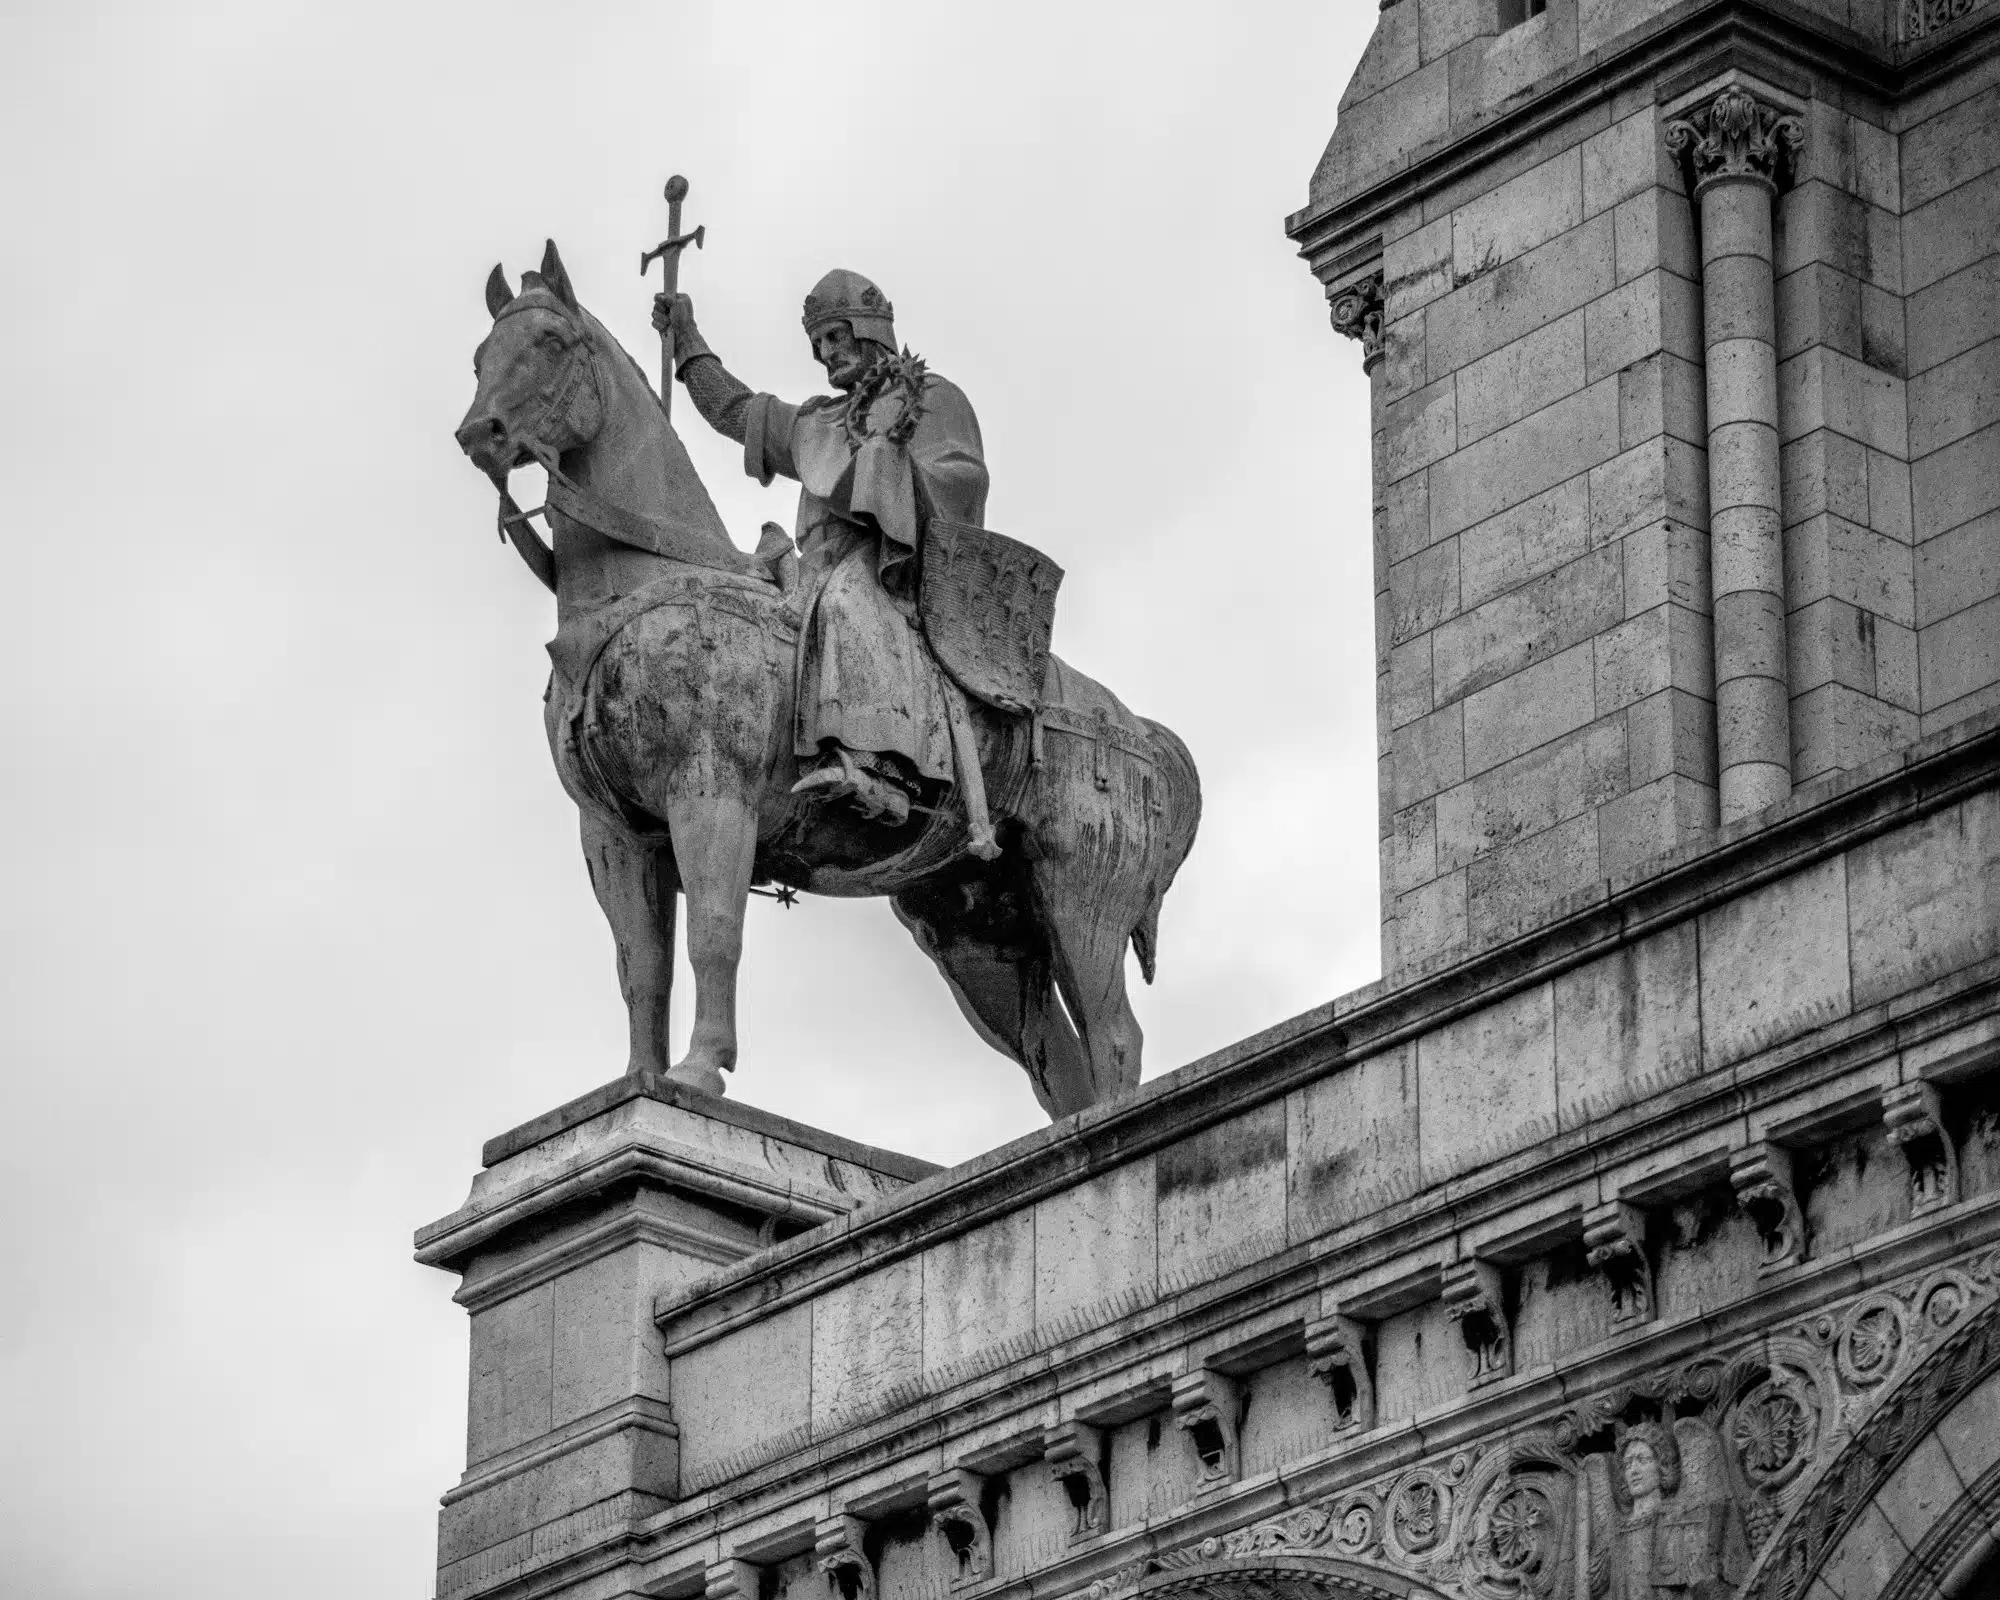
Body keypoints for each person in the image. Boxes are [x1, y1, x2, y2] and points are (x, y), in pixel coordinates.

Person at [653, 269, 988, 826]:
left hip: (892, 566)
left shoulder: (930, 398)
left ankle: (884, 771)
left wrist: (890, 469)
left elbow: (963, 481)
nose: (825, 353)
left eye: (835, 336)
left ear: (869, 327)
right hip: (818, 560)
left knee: (845, 602)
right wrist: (688, 346)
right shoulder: (820, 419)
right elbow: (738, 411)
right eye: (816, 345)